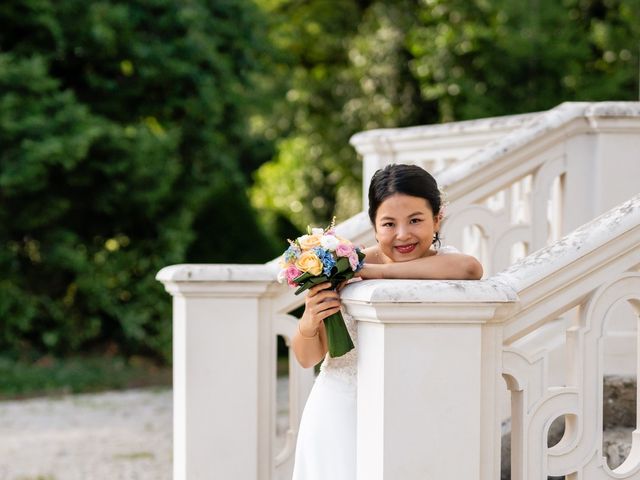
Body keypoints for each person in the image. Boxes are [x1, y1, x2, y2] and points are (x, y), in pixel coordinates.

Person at [290, 163, 483, 480]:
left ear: (437, 218)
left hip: (416, 415)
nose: (403, 234)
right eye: (389, 223)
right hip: (339, 413)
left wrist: (375, 272)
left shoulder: (443, 263)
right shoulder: (342, 268)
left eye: (416, 220)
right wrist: (310, 320)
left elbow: (470, 269)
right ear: (374, 225)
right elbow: (306, 357)